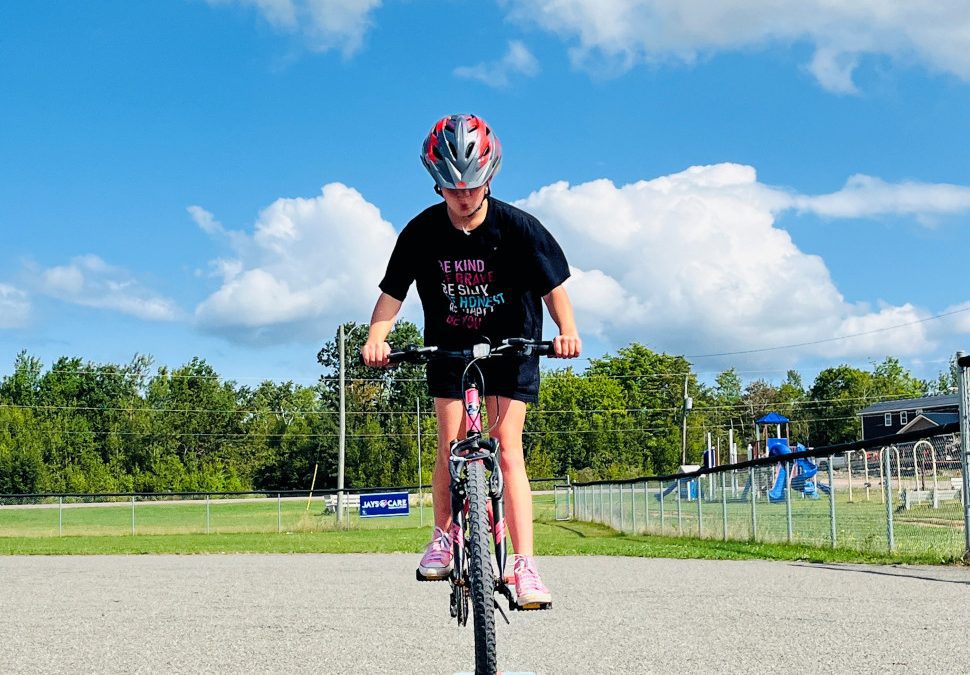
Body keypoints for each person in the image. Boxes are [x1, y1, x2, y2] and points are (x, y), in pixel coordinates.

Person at [361, 113, 581, 608]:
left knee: (506, 446)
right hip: (449, 348)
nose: (463, 197)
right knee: (450, 442)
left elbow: (554, 288)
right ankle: (443, 536)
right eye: (452, 187)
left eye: (473, 186)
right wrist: (378, 338)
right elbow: (391, 296)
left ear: (490, 177)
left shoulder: (520, 227)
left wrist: (568, 332)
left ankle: (524, 565)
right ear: (437, 183)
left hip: (513, 348)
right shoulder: (420, 233)